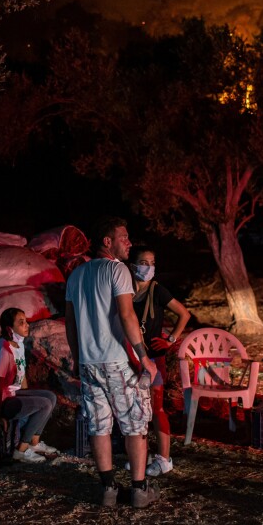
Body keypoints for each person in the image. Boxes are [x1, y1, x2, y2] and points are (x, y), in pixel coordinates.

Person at [65, 216, 159, 509]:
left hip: (89, 363)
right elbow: (127, 316)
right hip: (117, 361)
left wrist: (78, 357)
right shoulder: (117, 271)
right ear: (108, 242)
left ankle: (108, 490)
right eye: (124, 237)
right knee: (134, 425)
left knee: (99, 426)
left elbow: (70, 323)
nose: (129, 243)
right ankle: (139, 490)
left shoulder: (76, 275)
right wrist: (144, 357)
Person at [128, 245, 191, 477]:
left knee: (156, 408)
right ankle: (140, 457)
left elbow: (184, 314)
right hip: (130, 357)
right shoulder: (124, 291)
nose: (148, 267)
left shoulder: (158, 290)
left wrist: (170, 340)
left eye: (152, 263)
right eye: (144, 262)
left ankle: (164, 459)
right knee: (135, 408)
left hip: (154, 357)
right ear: (132, 265)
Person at [0, 307, 59, 463]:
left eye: (26, 321)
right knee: (44, 404)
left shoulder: (18, 345)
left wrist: (29, 400)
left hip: (10, 395)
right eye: (21, 322)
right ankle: (21, 451)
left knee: (50, 397)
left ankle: (34, 443)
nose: (27, 325)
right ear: (10, 328)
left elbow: (21, 376)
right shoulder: (3, 351)